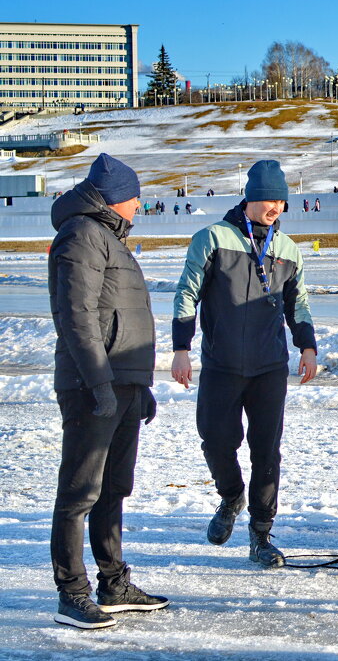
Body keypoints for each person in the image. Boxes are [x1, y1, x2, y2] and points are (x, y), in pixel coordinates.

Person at [172, 160, 318, 569]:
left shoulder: (287, 250)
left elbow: (299, 303)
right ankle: (231, 495)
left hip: (269, 365)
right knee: (216, 441)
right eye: (270, 199)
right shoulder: (213, 239)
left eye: (282, 201)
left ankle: (261, 535)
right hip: (221, 363)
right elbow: (187, 292)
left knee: (267, 451)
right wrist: (181, 347)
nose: (276, 207)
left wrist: (307, 347)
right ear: (251, 198)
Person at [48, 153, 167, 629]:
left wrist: (140, 385)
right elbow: (77, 318)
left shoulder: (110, 239)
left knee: (113, 488)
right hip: (92, 384)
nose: (139, 204)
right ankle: (71, 591)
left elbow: (122, 316)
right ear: (116, 197)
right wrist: (99, 383)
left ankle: (113, 583)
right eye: (135, 195)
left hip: (124, 382)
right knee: (79, 492)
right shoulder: (81, 236)